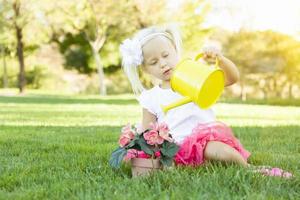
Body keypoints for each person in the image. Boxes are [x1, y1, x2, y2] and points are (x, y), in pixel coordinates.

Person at [119, 24, 293, 178]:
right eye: (154, 62)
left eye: (166, 55)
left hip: (204, 141)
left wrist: (220, 60)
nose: (163, 64)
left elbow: (231, 78)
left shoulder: (193, 77)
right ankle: (191, 165)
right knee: (141, 161)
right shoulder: (150, 97)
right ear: (146, 69)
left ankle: (248, 168)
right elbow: (148, 128)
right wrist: (139, 144)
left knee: (218, 150)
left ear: (175, 51)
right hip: (173, 148)